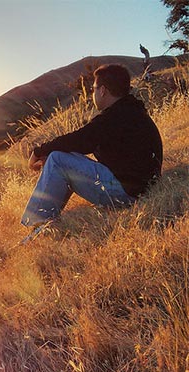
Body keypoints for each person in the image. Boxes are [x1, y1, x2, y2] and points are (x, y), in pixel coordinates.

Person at [21, 63, 162, 242]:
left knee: (57, 159)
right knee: (60, 157)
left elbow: (79, 139)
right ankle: (44, 221)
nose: (92, 93)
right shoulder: (131, 111)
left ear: (103, 91)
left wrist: (39, 151)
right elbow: (83, 141)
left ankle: (37, 227)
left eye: (94, 88)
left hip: (126, 193)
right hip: (142, 187)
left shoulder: (113, 118)